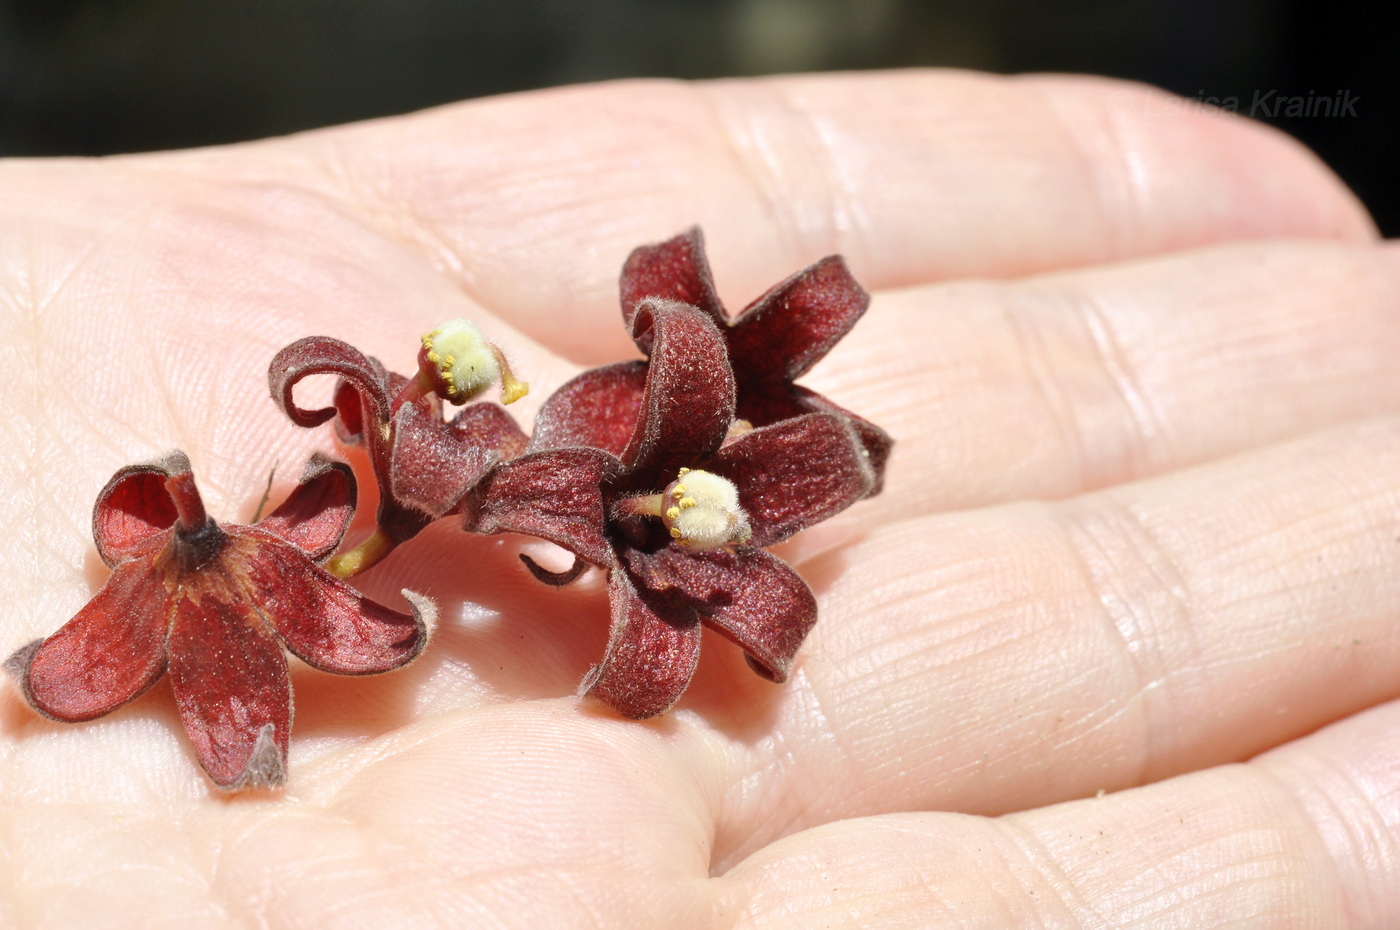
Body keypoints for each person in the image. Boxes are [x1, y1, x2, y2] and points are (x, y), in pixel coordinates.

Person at [1, 69, 1395, 926]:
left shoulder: (608, 469)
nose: (703, 510)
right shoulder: (521, 457)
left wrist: (523, 495)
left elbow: (655, 532)